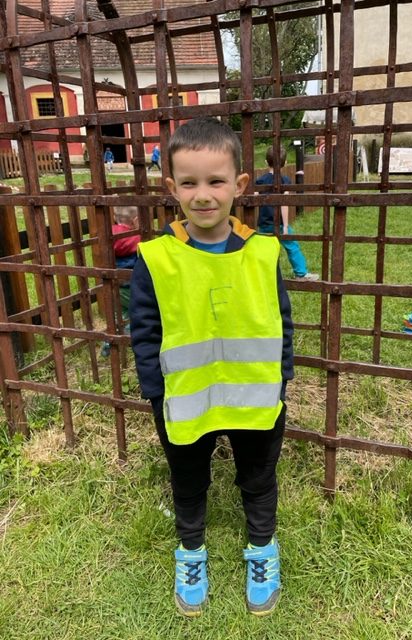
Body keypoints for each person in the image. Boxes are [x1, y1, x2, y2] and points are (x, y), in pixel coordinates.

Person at [129, 117, 293, 617]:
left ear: (239, 184)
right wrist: (156, 392)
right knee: (188, 479)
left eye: (216, 181)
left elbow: (281, 320)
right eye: (189, 183)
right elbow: (145, 330)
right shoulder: (156, 258)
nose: (203, 195)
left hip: (255, 395)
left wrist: (282, 379)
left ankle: (262, 550)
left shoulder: (263, 252)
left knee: (258, 478)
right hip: (185, 398)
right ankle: (191, 552)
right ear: (171, 187)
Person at [256, 145, 319, 281]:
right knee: (292, 246)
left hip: (264, 223)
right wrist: (285, 225)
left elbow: (254, 198)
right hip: (279, 223)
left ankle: (264, 275)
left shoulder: (260, 181)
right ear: (285, 163)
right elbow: (284, 203)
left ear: (266, 162)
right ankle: (301, 273)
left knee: (265, 250)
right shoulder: (284, 181)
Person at [100, 205, 141, 357]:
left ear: (115, 218)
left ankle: (109, 343)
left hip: (114, 284)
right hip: (132, 286)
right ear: (135, 220)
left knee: (120, 315)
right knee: (136, 314)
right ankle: (129, 337)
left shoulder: (110, 235)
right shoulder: (137, 238)